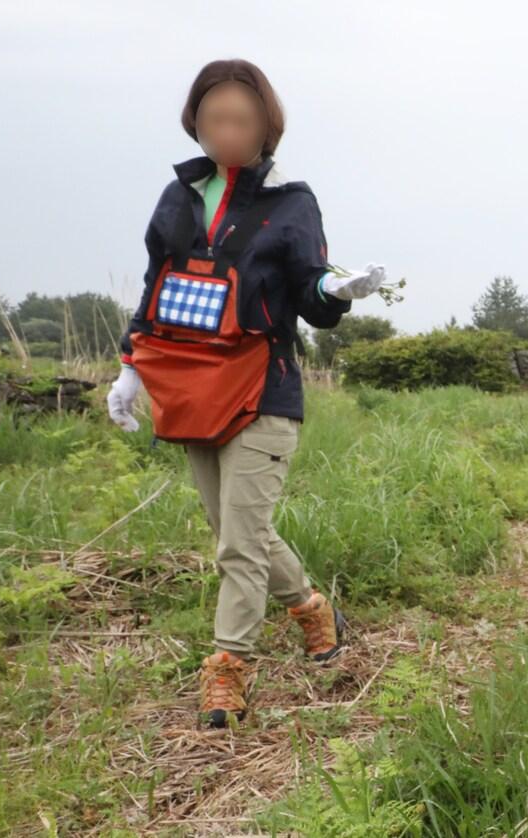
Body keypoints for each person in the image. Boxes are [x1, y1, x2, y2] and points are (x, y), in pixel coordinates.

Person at [104, 59, 388, 728]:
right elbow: (156, 285)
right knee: (237, 531)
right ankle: (313, 611)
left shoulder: (291, 201)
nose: (226, 131)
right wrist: (130, 364)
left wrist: (335, 291)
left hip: (263, 389)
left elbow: (311, 291)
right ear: (195, 123)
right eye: (214, 119)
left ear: (267, 128)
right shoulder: (177, 198)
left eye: (241, 120)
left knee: (239, 541)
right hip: (188, 385)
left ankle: (227, 669)